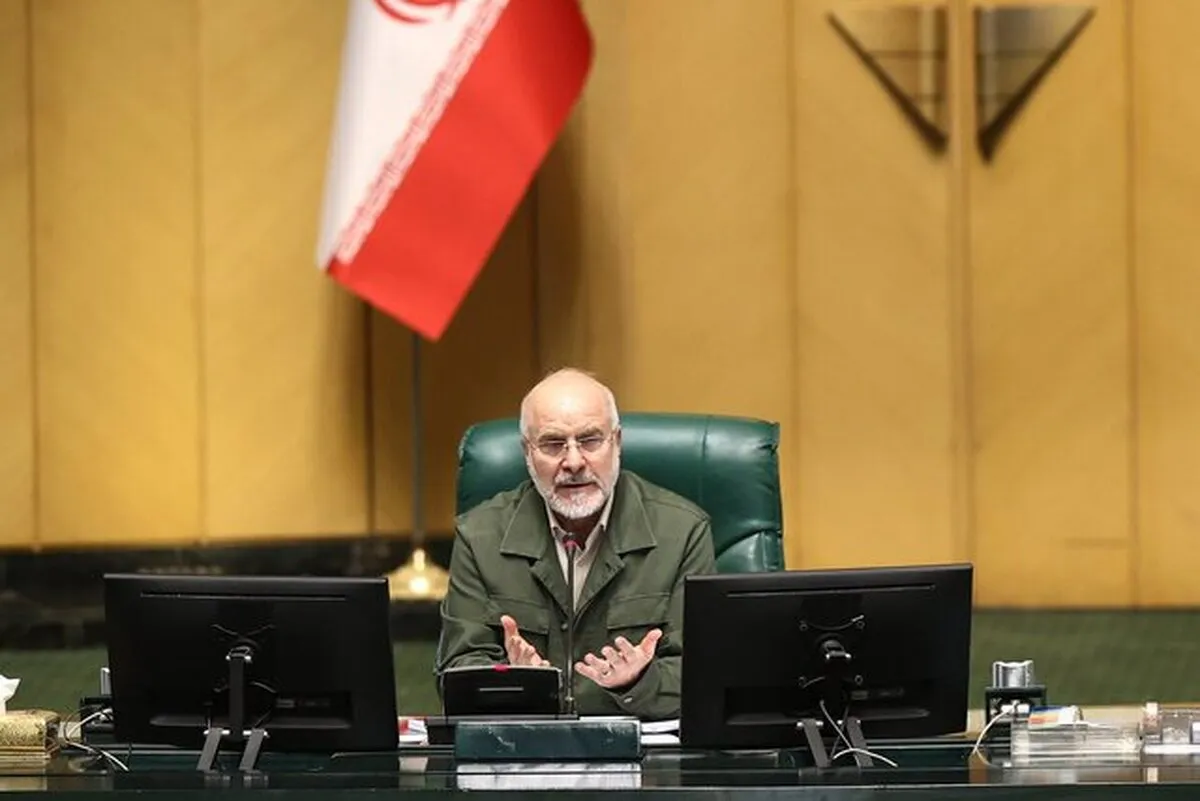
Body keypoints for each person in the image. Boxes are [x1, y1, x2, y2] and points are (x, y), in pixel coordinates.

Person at [435, 368, 716, 720]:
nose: (573, 462)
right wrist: (518, 684)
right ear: (527, 453)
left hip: (640, 748)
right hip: (525, 746)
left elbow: (704, 677)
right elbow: (456, 673)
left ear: (617, 442)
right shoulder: (479, 536)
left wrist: (638, 683)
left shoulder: (683, 531)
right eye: (553, 444)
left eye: (590, 440)